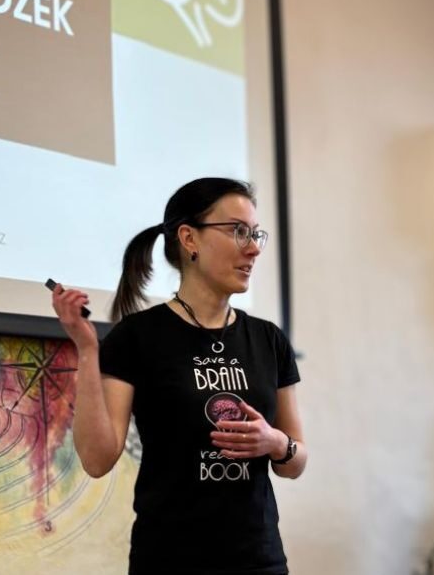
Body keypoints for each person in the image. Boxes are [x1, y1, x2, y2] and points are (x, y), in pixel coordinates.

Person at [51, 177, 306, 575]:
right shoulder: (137, 337)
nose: (254, 248)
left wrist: (275, 442)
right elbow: (97, 460)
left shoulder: (268, 340)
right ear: (189, 239)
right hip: (168, 559)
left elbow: (294, 462)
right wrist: (86, 348)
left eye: (255, 234)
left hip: (258, 561)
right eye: (238, 231)